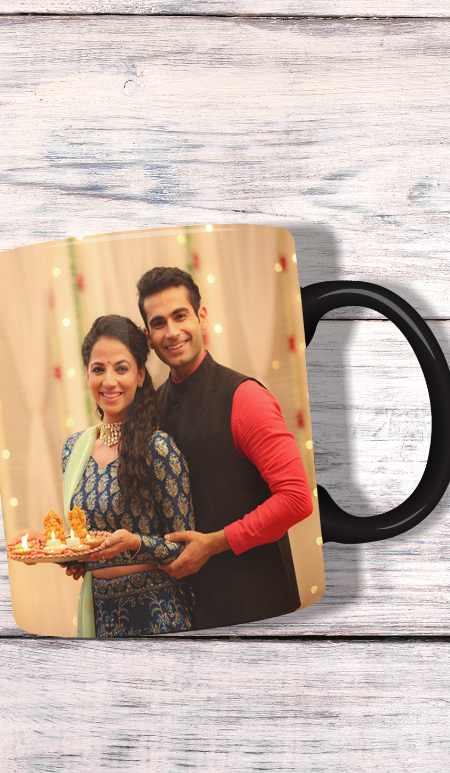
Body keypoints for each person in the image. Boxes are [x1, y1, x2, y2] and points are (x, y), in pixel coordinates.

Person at [136, 266, 314, 630]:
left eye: (180, 316)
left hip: (259, 608)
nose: (171, 332)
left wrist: (215, 543)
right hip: (188, 614)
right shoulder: (152, 408)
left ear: (201, 317)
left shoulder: (245, 397)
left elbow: (296, 499)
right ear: (148, 336)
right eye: (158, 323)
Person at [14, 315, 196, 638]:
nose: (109, 381)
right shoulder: (75, 449)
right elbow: (84, 547)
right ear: (87, 375)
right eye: (99, 369)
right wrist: (41, 546)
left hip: (157, 615)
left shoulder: (158, 448)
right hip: (100, 616)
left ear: (140, 375)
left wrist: (135, 542)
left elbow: (184, 550)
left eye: (121, 368)